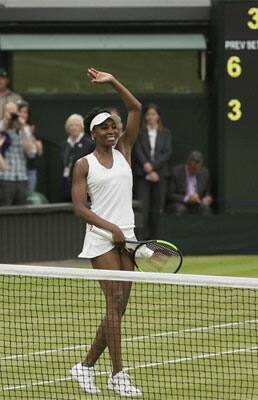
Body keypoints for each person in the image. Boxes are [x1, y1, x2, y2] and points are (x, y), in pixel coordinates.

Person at [69, 68, 142, 397]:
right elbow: (80, 208)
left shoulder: (125, 148)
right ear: (93, 133)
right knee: (114, 300)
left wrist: (113, 81)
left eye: (114, 125)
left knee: (119, 308)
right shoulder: (84, 165)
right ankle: (118, 373)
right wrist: (110, 227)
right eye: (104, 127)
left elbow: (136, 108)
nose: (112, 130)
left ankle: (84, 367)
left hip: (127, 237)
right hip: (101, 239)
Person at [132, 103, 172, 239]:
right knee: (143, 209)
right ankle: (141, 241)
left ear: (158, 116)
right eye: (148, 114)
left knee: (157, 210)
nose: (151, 117)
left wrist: (153, 167)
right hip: (143, 175)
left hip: (160, 175)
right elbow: (138, 151)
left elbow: (167, 153)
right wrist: (146, 166)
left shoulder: (165, 133)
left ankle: (156, 241)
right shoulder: (140, 132)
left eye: (153, 114)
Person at [0, 101, 36, 206]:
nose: (11, 114)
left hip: (21, 177)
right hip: (4, 177)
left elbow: (31, 152)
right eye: (8, 111)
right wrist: (5, 127)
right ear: (3, 112)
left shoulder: (24, 128)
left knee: (22, 213)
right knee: (4, 211)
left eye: (13, 112)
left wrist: (23, 128)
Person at [60, 113, 93, 201]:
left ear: (81, 127)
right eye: (71, 125)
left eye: (76, 125)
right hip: (66, 185)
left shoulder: (89, 144)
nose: (73, 127)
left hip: (83, 185)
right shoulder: (64, 145)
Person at [167, 150, 213, 215]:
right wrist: (187, 199)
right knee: (180, 209)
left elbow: (207, 193)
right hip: (180, 203)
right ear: (187, 165)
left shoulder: (205, 173)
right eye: (193, 169)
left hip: (197, 204)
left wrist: (207, 199)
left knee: (206, 209)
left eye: (198, 169)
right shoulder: (175, 172)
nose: (195, 171)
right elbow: (170, 195)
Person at [17, 100, 43, 193]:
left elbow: (39, 151)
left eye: (25, 112)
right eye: (20, 112)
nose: (22, 114)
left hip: (30, 170)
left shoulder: (32, 129)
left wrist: (30, 135)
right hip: (16, 170)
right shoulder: (12, 128)